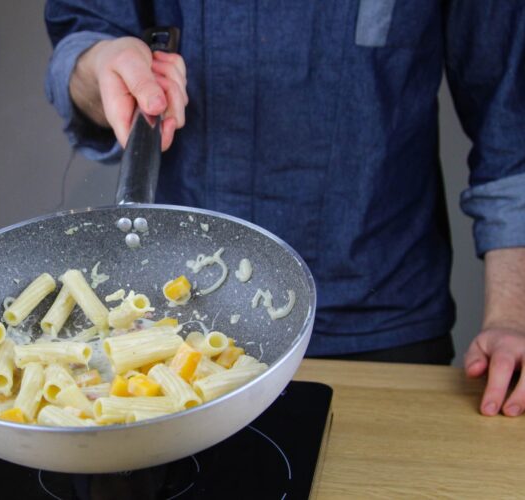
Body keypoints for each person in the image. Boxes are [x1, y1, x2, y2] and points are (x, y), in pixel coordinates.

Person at [43, 1, 525, 417]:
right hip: (179, 317)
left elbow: (510, 110)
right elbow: (85, 33)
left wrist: (513, 314)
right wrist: (102, 63)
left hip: (381, 317)